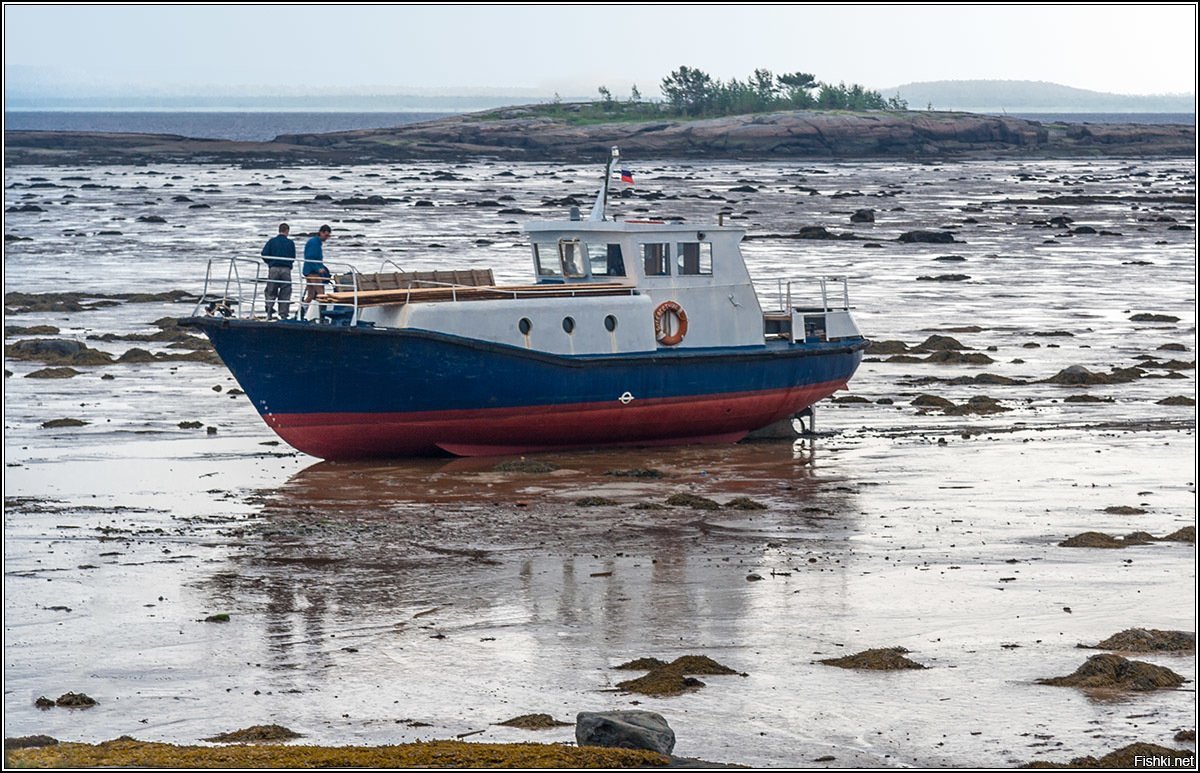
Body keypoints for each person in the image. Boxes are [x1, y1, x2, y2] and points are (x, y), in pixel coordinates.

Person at [260, 222, 295, 319]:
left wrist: (270, 263)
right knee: (285, 292)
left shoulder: (271, 241)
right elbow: (293, 257)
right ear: (287, 231)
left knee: (271, 291)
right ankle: (283, 315)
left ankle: (269, 312)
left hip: (274, 268)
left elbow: (264, 254)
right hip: (286, 269)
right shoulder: (290, 243)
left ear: (279, 230)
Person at [302, 224, 333, 310]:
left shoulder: (316, 242)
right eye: (326, 235)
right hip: (313, 272)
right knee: (321, 293)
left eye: (328, 236)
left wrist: (324, 268)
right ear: (320, 233)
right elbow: (310, 257)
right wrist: (318, 268)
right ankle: (321, 313)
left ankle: (302, 310)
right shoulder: (314, 243)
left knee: (311, 295)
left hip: (309, 270)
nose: (327, 238)